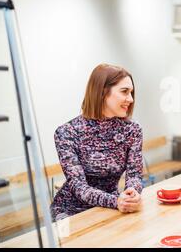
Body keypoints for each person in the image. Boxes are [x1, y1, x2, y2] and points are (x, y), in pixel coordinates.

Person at [50, 64, 143, 221]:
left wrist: (132, 191)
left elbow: (134, 174)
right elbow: (79, 187)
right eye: (124, 92)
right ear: (102, 92)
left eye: (131, 92)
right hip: (70, 212)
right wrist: (116, 201)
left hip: (111, 209)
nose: (131, 99)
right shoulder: (67, 132)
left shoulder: (132, 130)